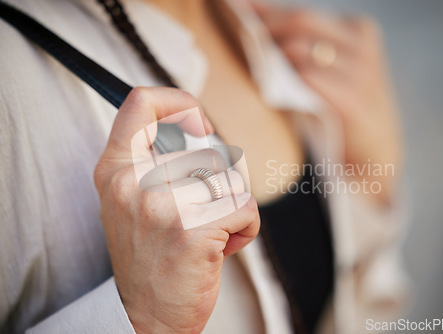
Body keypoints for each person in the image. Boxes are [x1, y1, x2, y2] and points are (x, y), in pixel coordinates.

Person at [0, 0, 408, 333]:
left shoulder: (268, 27)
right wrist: (141, 323)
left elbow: (362, 306)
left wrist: (372, 180)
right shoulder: (12, 87)